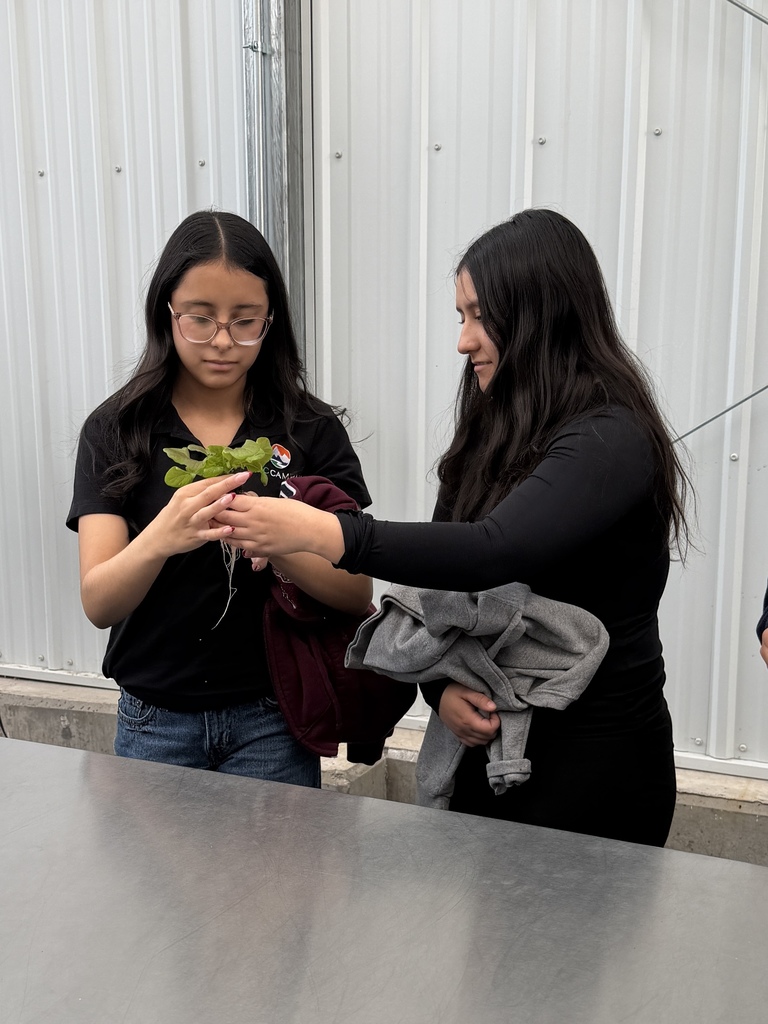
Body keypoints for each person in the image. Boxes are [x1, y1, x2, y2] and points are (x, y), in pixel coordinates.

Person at [214, 208, 691, 847]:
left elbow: (492, 550)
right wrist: (441, 689)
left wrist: (325, 532)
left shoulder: (610, 437)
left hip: (594, 763)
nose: (463, 340)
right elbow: (445, 595)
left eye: (479, 315)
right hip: (486, 757)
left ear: (540, 315)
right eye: (460, 316)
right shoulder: (492, 430)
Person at [67, 210, 372, 785]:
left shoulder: (308, 427)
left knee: (276, 878)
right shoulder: (116, 429)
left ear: (271, 320)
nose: (223, 341)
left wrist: (282, 542)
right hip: (154, 721)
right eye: (200, 320)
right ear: (168, 313)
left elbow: (357, 592)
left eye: (245, 320)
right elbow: (99, 602)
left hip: (273, 718)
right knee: (154, 881)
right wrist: (163, 535)